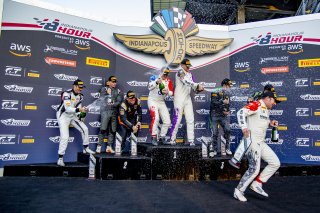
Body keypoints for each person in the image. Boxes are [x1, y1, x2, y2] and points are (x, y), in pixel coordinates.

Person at [233, 91, 281, 202]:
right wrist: (244, 127)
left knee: (275, 163)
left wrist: (270, 123)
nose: (275, 104)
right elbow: (240, 112)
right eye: (274, 101)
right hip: (252, 142)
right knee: (254, 169)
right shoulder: (257, 104)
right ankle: (238, 191)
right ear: (268, 98)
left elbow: (261, 119)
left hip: (261, 142)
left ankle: (257, 183)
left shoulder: (265, 109)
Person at [56, 79, 95, 167]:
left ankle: (86, 148)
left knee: (85, 128)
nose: (80, 89)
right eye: (78, 87)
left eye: (81, 88)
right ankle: (60, 159)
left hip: (72, 115)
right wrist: (78, 110)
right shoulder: (66, 94)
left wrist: (82, 113)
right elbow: (67, 108)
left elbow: (78, 109)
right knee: (65, 137)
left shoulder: (81, 96)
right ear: (74, 86)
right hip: (63, 115)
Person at [169, 58, 204, 146]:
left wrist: (199, 89)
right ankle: (172, 139)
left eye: (189, 66)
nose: (188, 68)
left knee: (190, 119)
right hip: (179, 98)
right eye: (186, 66)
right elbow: (184, 80)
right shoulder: (180, 71)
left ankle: (191, 140)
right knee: (177, 119)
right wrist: (196, 85)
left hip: (187, 98)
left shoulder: (190, 74)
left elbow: (194, 89)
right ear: (182, 65)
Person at [96, 76, 122, 154]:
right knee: (103, 129)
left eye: (115, 82)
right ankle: (99, 146)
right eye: (112, 82)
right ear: (108, 82)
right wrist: (107, 97)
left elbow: (119, 101)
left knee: (113, 130)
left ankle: (109, 147)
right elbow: (101, 99)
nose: (114, 83)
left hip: (114, 112)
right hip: (105, 111)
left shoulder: (118, 91)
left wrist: (112, 104)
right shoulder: (104, 89)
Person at [148, 67, 174, 146]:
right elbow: (149, 87)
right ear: (161, 72)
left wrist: (167, 92)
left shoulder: (168, 81)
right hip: (152, 100)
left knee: (167, 121)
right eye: (164, 74)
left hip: (161, 102)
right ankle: (153, 137)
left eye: (167, 74)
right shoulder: (154, 77)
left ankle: (162, 137)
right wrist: (156, 82)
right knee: (156, 118)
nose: (165, 76)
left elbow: (171, 92)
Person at [209, 78, 233, 157]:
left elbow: (227, 105)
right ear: (224, 85)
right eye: (228, 86)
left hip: (223, 115)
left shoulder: (228, 93)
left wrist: (227, 110)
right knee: (215, 132)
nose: (230, 88)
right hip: (214, 114)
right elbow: (213, 103)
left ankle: (227, 148)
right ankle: (214, 150)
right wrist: (222, 102)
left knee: (228, 130)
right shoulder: (215, 91)